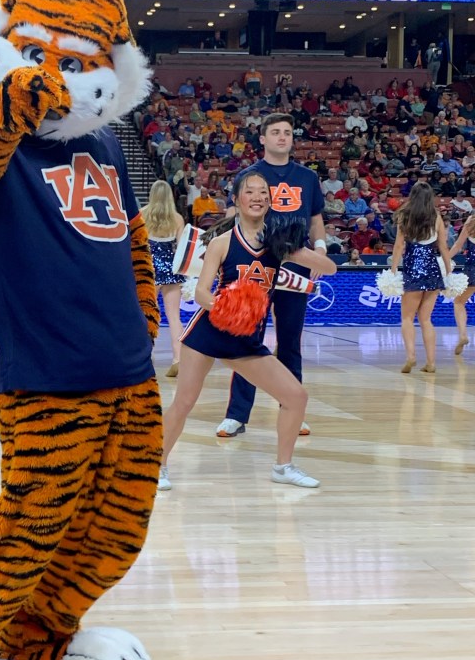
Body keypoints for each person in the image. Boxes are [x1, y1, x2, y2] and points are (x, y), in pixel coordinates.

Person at [158, 170, 336, 491]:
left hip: (247, 339)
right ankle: (157, 466)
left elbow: (329, 268)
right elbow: (200, 293)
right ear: (238, 200)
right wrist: (223, 306)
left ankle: (283, 467)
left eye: (263, 193)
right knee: (184, 402)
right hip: (209, 332)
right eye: (250, 192)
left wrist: (298, 248)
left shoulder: (277, 244)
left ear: (269, 202)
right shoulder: (222, 243)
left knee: (296, 397)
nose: (257, 197)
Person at [215, 113, 326, 439]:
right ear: (261, 139)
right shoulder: (249, 176)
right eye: (275, 132)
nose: (282, 137)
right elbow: (231, 215)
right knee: (247, 341)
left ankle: (294, 410)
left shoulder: (306, 177)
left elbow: (316, 217)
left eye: (287, 132)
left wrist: (319, 249)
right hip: (257, 266)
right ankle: (237, 415)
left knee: (290, 342)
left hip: (295, 265)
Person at [391, 181, 451, 374]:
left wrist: (392, 271)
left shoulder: (405, 215)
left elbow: (400, 246)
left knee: (407, 317)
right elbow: (443, 246)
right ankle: (431, 363)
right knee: (426, 319)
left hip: (412, 268)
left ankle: (411, 357)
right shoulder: (436, 216)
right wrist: (449, 271)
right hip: (433, 269)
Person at [141, 180, 185, 378]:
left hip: (149, 268)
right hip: (171, 268)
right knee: (174, 316)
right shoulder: (176, 218)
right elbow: (181, 248)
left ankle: (143, 356)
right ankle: (178, 359)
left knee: (145, 314)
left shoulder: (142, 214)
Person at [449, 214, 475, 356]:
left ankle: (463, 334)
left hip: (472, 269)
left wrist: (444, 259)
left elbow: (458, 245)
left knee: (459, 302)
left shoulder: (471, 221)